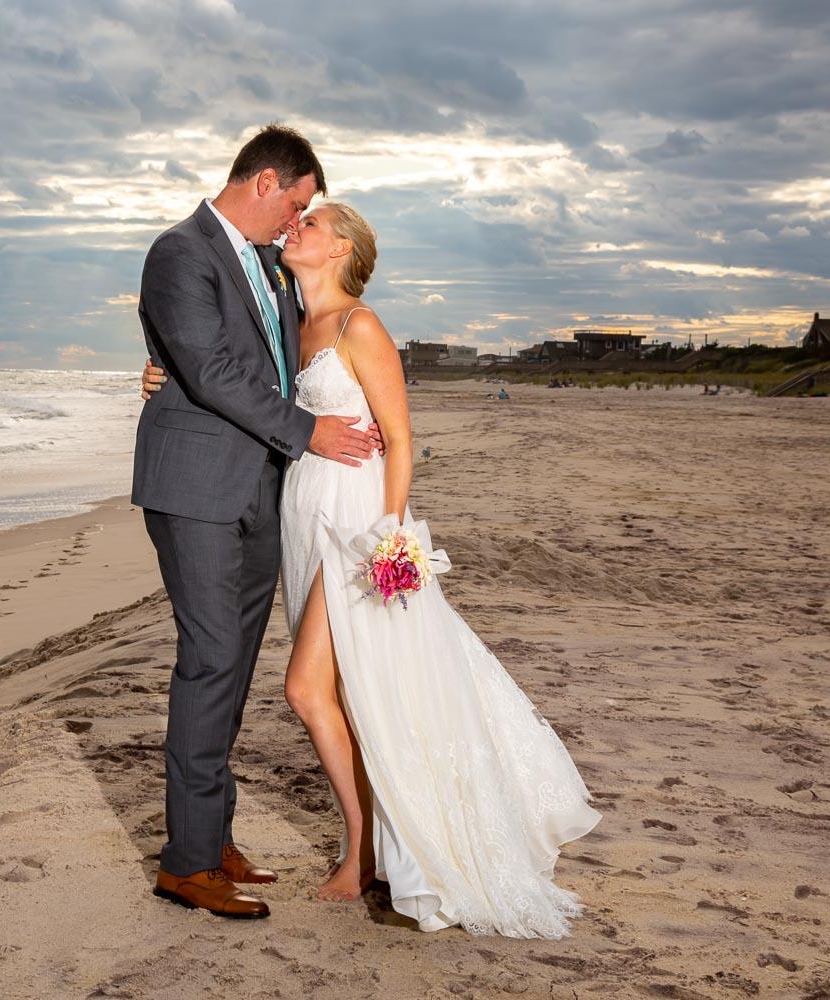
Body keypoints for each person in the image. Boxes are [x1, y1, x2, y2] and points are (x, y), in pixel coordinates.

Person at [141, 200, 602, 938]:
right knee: (353, 692)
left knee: (304, 688)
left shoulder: (362, 325)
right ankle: (372, 842)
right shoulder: (291, 321)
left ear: (342, 249)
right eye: (299, 216)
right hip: (303, 510)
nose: (298, 228)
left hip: (356, 524)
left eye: (313, 224)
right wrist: (163, 371)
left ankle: (358, 852)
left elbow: (401, 439)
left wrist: (390, 537)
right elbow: (230, 378)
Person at [132, 125, 384, 921]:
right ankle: (188, 864)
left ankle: (212, 833)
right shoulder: (181, 251)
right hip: (198, 487)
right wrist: (308, 431)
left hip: (263, 489)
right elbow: (207, 367)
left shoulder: (272, 268)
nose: (297, 221)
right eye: (299, 204)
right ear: (268, 180)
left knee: (235, 665)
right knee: (209, 658)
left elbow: (276, 357)